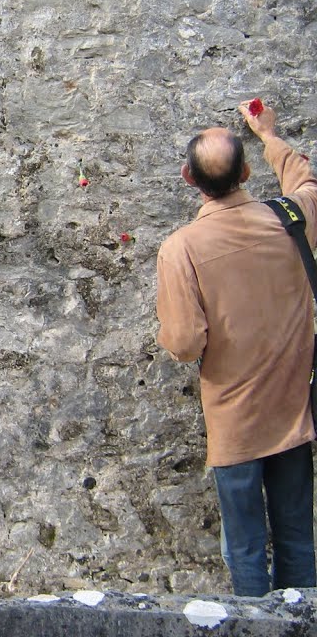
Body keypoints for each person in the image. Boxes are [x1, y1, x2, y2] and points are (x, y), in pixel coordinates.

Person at [156, 100, 317, 597]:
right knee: (297, 539)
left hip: (236, 425)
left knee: (246, 549)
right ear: (247, 172)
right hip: (294, 412)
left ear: (188, 177)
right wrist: (268, 134)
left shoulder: (181, 248)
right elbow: (306, 181)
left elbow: (184, 344)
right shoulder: (291, 218)